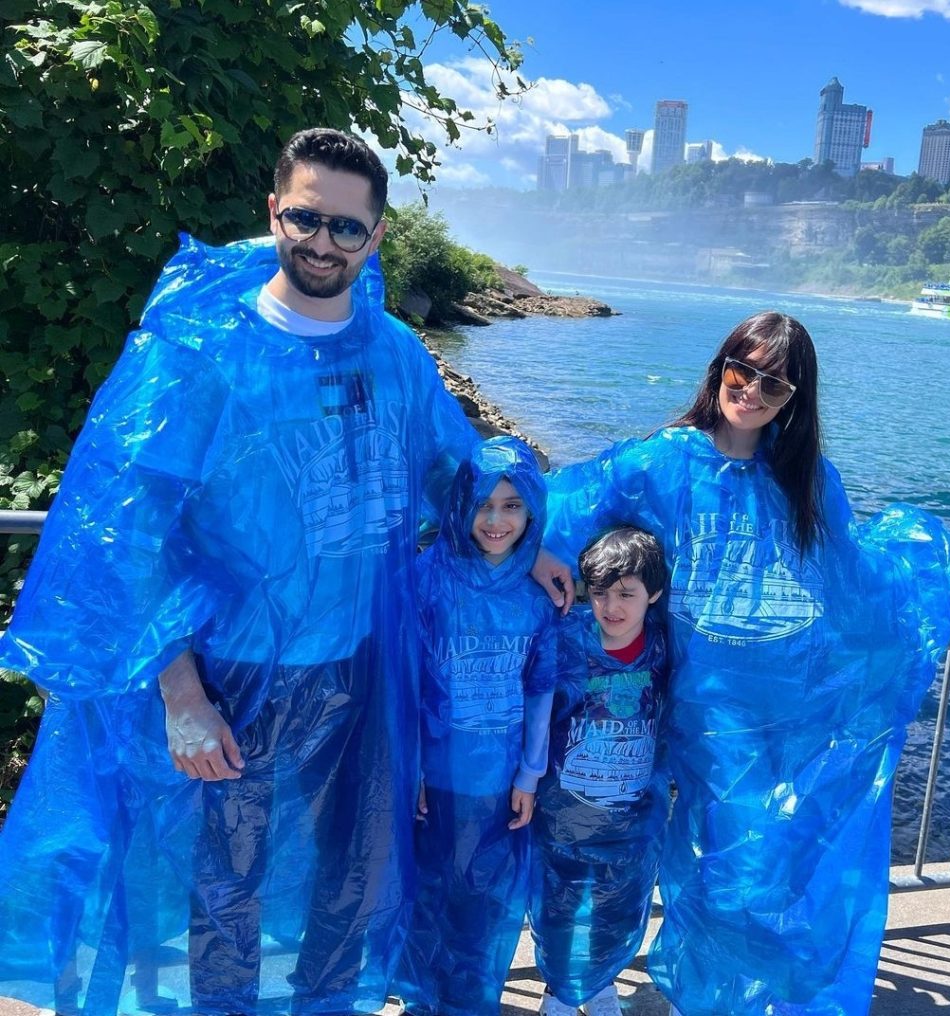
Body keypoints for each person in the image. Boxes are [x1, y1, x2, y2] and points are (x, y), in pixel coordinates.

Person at [0, 129, 569, 1015]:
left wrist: (533, 546)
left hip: (360, 674)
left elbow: (459, 476)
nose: (322, 242)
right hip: (235, 681)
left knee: (355, 880)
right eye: (306, 216)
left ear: (376, 238)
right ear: (274, 210)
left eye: (348, 228)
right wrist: (181, 692)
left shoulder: (395, 358)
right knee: (226, 891)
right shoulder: (199, 359)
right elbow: (128, 536)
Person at [541, 311, 950, 1016]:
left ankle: (710, 995)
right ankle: (624, 983)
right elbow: (572, 503)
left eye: (775, 383)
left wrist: (922, 566)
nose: (753, 390)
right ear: (720, 369)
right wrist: (527, 547)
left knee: (749, 866)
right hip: (676, 704)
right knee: (651, 851)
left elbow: (855, 586)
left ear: (795, 398)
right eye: (743, 370)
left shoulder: (803, 484)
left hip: (768, 722)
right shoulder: (664, 462)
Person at [395, 436, 558, 1016]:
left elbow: (541, 688)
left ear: (533, 510)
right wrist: (409, 767)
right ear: (459, 505)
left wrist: (530, 775)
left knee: (484, 901)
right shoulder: (426, 582)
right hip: (433, 780)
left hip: (497, 782)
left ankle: (468, 1001)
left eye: (512, 505)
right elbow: (404, 685)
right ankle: (424, 1002)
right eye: (483, 503)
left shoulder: (535, 599)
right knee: (428, 894)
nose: (496, 519)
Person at [530, 526, 670, 1016]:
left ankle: (601, 982)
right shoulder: (569, 640)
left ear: (653, 594)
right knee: (560, 906)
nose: (612, 607)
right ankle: (560, 990)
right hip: (564, 813)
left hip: (631, 818)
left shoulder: (666, 646)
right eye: (602, 592)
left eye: (627, 594)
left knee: (619, 905)